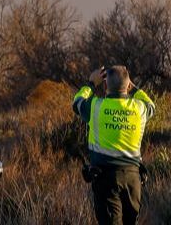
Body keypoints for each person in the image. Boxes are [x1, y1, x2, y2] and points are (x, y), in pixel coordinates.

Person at [72, 66, 156, 225]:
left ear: (105, 86)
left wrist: (90, 83)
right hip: (133, 180)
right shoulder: (139, 108)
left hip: (106, 179)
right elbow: (151, 105)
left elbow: (77, 103)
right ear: (128, 86)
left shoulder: (96, 107)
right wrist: (134, 88)